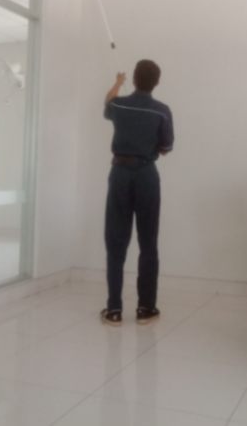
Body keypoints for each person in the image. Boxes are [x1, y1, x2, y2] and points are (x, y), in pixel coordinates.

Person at [101, 59, 174, 326]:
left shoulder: (119, 105)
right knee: (148, 242)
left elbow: (107, 102)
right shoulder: (162, 111)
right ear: (156, 82)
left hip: (119, 174)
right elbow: (166, 148)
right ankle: (146, 308)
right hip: (147, 176)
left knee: (115, 242)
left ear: (133, 78)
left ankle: (114, 310)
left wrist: (117, 82)